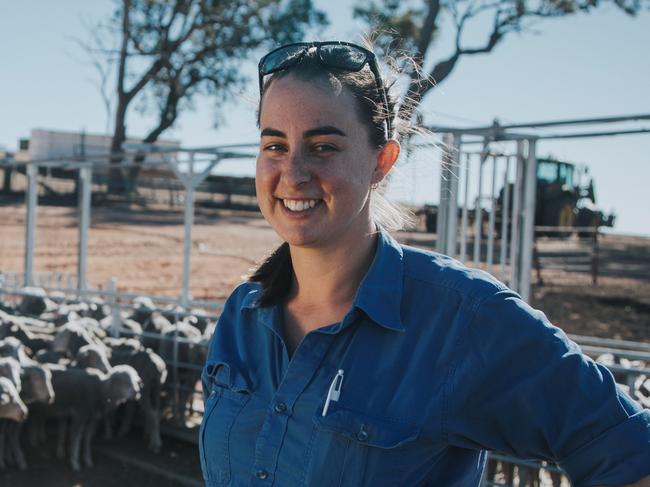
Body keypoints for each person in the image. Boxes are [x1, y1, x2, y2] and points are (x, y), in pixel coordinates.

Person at [199, 40, 650, 487]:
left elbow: (627, 452)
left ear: (383, 160)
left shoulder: (463, 319)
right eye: (274, 146)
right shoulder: (243, 313)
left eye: (323, 147)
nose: (293, 173)